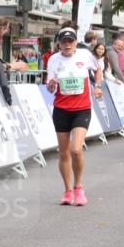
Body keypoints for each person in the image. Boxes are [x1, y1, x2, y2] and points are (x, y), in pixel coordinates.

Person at [47, 27, 103, 206]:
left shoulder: (85, 55)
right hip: (61, 109)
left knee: (76, 149)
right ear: (59, 43)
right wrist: (51, 84)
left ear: (75, 42)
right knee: (63, 153)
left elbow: (98, 69)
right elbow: (49, 85)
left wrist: (98, 86)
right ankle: (67, 191)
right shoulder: (53, 60)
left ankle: (78, 187)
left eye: (70, 41)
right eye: (63, 41)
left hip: (82, 108)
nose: (67, 44)